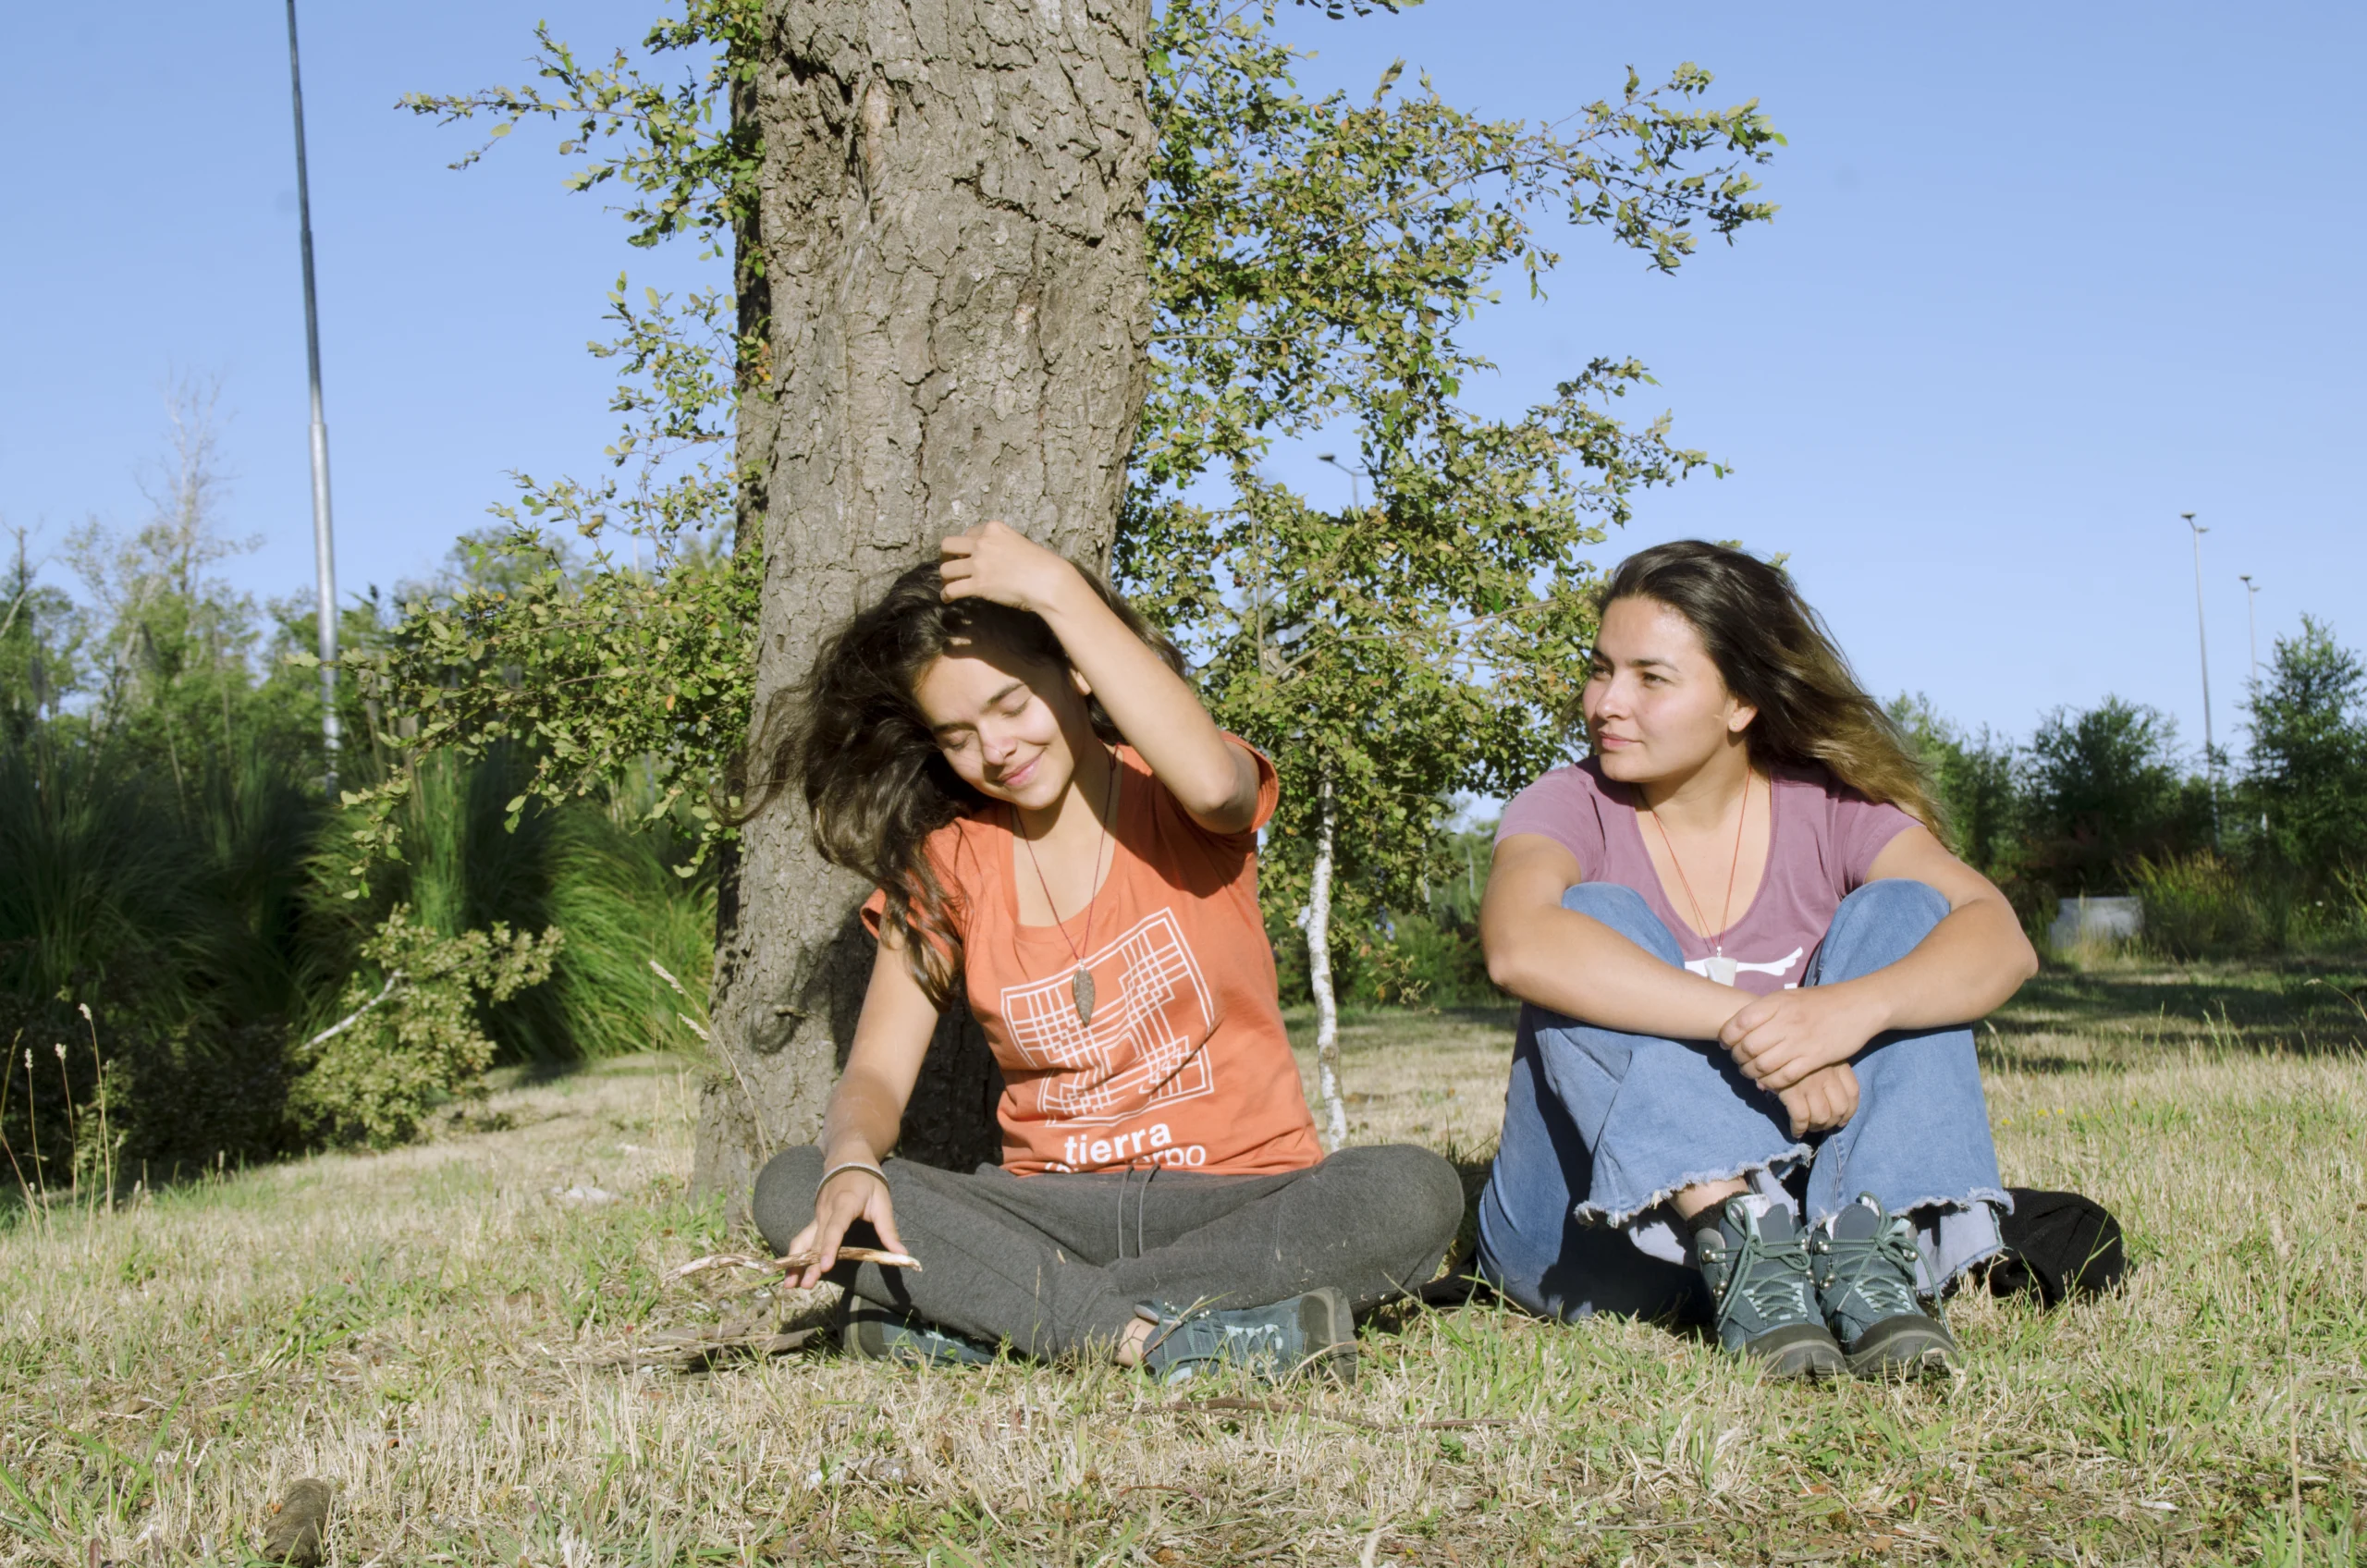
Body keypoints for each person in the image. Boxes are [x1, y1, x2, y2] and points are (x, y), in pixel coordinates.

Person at [744, 521, 1464, 1383]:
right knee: (794, 1184)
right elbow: (872, 1080)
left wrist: (1056, 588)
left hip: (1241, 1198)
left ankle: (1010, 1321)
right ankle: (1163, 1335)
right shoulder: (947, 862)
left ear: (1078, 670)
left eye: (1012, 705)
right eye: (957, 734)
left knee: (1415, 1192)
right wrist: (852, 1162)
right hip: (1045, 1212)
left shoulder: (1178, 800)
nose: (995, 749)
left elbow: (1216, 783)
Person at [1476, 541, 2037, 1379]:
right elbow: (1520, 944)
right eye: (1601, 670)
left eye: (1650, 678)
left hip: (1803, 1226)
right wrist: (1764, 1035)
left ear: (1740, 701)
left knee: (1909, 913)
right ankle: (1731, 1228)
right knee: (1589, 916)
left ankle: (1865, 1249)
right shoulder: (1570, 804)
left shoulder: (1833, 809)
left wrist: (1852, 1010)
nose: (1605, 703)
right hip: (1590, 1240)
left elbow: (2000, 936)